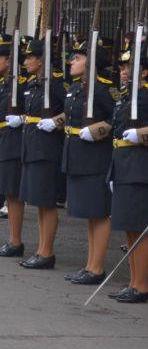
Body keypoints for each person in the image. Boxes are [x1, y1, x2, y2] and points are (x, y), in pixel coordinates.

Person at [60, 40, 115, 284]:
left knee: (99, 213)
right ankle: (90, 264)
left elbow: (118, 121)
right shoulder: (76, 88)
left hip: (95, 157)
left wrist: (98, 131)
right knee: (90, 214)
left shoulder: (103, 89)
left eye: (78, 58)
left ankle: (97, 268)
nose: (72, 61)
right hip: (77, 154)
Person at [15, 38, 66, 269]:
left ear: (41, 60)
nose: (25, 62)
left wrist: (56, 122)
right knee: (38, 202)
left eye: (29, 57)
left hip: (46, 148)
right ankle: (41, 248)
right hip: (32, 145)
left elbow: (71, 111)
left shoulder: (54, 83)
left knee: (46, 201)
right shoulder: (34, 84)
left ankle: (47, 252)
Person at [108, 42, 148, 303]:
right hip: (123, 163)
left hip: (139, 165)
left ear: (144, 72)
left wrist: (142, 134)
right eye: (122, 66)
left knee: (139, 227)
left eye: (129, 66)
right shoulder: (127, 96)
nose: (123, 70)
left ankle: (142, 285)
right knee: (130, 229)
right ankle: (133, 281)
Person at [0, 38, 27, 257]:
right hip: (1, 138)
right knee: (7, 192)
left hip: (13, 141)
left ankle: (15, 241)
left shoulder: (20, 83)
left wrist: (21, 118)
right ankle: (13, 239)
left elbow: (34, 112)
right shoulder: (3, 83)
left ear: (9, 61)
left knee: (13, 193)